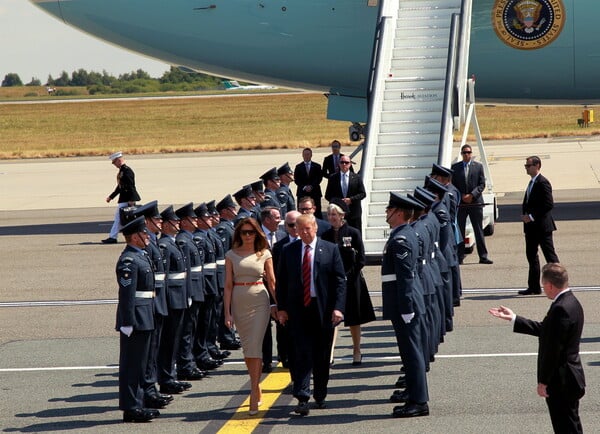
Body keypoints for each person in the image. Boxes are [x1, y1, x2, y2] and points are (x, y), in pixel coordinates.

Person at [489, 263, 585, 433]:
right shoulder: (572, 302)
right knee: (572, 425)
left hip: (561, 380)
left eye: (543, 285)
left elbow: (552, 351)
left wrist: (543, 381)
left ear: (549, 285)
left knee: (565, 427)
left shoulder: (560, 308)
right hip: (571, 377)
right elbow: (547, 331)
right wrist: (514, 318)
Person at [276, 213, 346, 416]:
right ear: (296, 230)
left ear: (315, 228)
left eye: (308, 228)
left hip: (323, 310)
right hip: (298, 311)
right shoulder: (289, 251)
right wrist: (281, 308)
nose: (305, 233)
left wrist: (338, 307)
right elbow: (281, 282)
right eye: (301, 229)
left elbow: (340, 281)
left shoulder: (330, 250)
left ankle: (320, 394)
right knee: (300, 354)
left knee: (321, 356)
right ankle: (302, 397)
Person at [382, 193, 429, 418]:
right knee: (409, 352)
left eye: (389, 209)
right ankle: (413, 394)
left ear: (398, 213)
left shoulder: (401, 239)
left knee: (412, 353)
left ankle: (419, 401)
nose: (386, 213)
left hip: (405, 304)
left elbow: (406, 276)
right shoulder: (403, 234)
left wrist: (407, 306)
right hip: (404, 303)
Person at [224, 217, 277, 415]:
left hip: (259, 300)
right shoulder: (231, 255)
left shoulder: (265, 254)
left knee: (255, 346)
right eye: (244, 232)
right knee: (248, 350)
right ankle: (257, 385)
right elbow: (228, 285)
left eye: (251, 232)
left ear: (257, 233)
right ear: (239, 234)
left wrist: (278, 305)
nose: (248, 236)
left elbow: (272, 282)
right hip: (239, 301)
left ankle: (254, 391)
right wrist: (227, 313)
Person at [114, 216, 158, 423]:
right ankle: (131, 408)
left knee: (141, 364)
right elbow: (127, 295)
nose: (147, 235)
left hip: (146, 314)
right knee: (132, 365)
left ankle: (138, 403)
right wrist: (127, 322)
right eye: (143, 233)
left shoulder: (140, 255)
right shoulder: (129, 260)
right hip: (136, 319)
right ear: (134, 237)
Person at [322, 199, 375, 366]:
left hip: (352, 280)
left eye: (334, 214)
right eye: (329, 214)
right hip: (333, 282)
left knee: (353, 318)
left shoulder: (353, 233)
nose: (331, 217)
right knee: (333, 316)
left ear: (342, 216)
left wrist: (348, 274)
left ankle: (357, 349)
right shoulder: (325, 235)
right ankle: (329, 352)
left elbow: (361, 259)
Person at [519, 156, 560, 295]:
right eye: (526, 165)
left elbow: (548, 204)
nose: (526, 168)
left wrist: (531, 216)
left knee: (550, 257)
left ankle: (560, 285)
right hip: (531, 228)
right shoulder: (531, 182)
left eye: (528, 165)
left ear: (537, 166)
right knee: (531, 256)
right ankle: (534, 287)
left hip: (542, 227)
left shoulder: (543, 182)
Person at [451, 144, 492, 264]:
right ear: (461, 154)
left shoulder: (478, 167)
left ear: (471, 153)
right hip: (462, 205)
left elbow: (481, 184)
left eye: (468, 152)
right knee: (460, 231)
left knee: (478, 230)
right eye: (464, 153)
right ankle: (460, 256)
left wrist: (472, 195)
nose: (466, 154)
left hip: (475, 203)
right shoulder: (455, 168)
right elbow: (453, 185)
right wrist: (462, 195)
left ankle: (483, 256)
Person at [103, 151, 141, 244]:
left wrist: (131, 200)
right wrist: (111, 197)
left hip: (127, 199)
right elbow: (120, 187)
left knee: (123, 219)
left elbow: (130, 186)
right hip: (125, 198)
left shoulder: (127, 171)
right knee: (120, 219)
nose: (114, 165)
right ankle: (113, 237)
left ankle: (113, 237)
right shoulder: (123, 171)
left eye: (114, 162)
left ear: (119, 160)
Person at [324, 155, 366, 232]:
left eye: (346, 163)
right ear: (338, 164)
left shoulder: (357, 177)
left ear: (350, 164)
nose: (344, 164)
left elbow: (362, 194)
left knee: (355, 236)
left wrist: (351, 199)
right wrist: (339, 202)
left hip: (354, 213)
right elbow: (328, 195)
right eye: (342, 162)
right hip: (338, 214)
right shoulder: (333, 178)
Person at [294, 148, 324, 218]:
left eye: (308, 154)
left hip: (315, 192)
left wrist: (311, 186)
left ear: (311, 155)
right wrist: (304, 187)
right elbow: (296, 179)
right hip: (302, 192)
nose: (306, 156)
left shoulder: (317, 166)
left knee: (317, 212)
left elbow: (319, 178)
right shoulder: (298, 167)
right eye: (305, 154)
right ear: (302, 155)